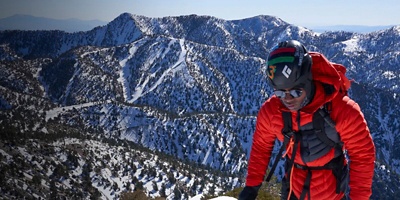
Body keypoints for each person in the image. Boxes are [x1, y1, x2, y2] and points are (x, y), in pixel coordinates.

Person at [239, 40, 375, 200]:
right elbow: (261, 148)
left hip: (331, 194)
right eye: (280, 93)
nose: (288, 99)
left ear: (308, 81)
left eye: (296, 92)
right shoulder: (272, 111)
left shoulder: (343, 110)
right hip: (293, 190)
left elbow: (362, 155)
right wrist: (251, 186)